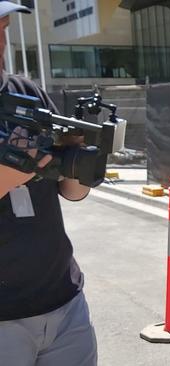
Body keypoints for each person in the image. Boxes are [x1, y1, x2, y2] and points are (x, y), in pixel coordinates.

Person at [0, 2, 97, 366]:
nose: (0, 42)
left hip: (63, 299)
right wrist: (18, 171)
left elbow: (70, 191)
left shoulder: (26, 91)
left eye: (3, 28)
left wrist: (79, 162)